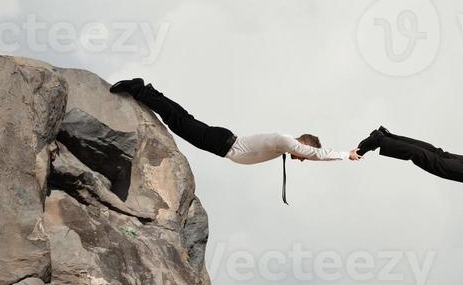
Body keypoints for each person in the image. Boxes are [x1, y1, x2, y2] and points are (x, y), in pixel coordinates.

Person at [109, 78, 360, 203]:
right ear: (302, 145)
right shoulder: (285, 141)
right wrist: (344, 154)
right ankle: (139, 89)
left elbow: (310, 154)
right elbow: (315, 154)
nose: (302, 160)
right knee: (176, 120)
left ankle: (147, 90)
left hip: (222, 142)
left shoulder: (284, 146)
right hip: (221, 143)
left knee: (180, 118)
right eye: (303, 155)